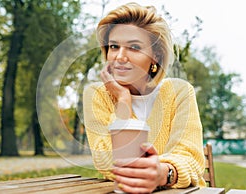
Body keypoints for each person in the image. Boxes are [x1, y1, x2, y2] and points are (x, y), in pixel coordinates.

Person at [83, 2, 206, 193]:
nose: (120, 57)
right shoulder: (97, 95)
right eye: (114, 46)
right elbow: (106, 161)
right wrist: (123, 101)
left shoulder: (180, 92)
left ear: (155, 56)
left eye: (134, 47)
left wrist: (161, 173)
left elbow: (189, 157)